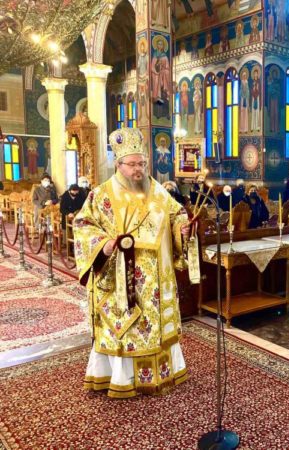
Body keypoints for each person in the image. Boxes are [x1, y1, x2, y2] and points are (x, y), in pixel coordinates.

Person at [73, 128, 190, 398]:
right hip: (120, 278)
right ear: (118, 164)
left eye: (142, 164)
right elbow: (83, 225)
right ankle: (121, 377)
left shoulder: (158, 190)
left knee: (155, 324)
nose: (138, 169)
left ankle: (163, 373)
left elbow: (177, 214)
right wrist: (104, 244)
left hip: (157, 279)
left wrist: (182, 228)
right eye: (132, 164)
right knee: (126, 326)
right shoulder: (101, 194)